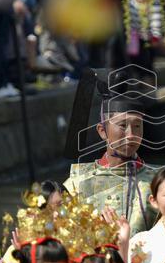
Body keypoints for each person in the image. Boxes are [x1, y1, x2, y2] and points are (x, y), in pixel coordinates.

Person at [64, 78, 157, 237]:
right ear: (102, 131)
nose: (130, 135)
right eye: (122, 126)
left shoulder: (157, 182)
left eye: (137, 126)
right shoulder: (76, 183)